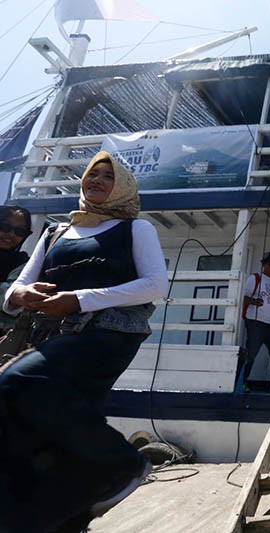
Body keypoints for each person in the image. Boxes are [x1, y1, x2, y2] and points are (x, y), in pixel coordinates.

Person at [0, 151, 168, 531]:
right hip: (51, 336)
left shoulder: (135, 228)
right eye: (93, 173)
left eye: (108, 176)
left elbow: (155, 285)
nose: (97, 180)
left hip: (107, 332)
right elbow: (18, 287)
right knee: (43, 442)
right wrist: (20, 296)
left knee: (17, 381)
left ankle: (121, 462)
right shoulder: (54, 232)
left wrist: (79, 298)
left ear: (122, 186)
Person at [241, 251, 270, 393]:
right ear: (264, 264)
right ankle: (242, 382)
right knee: (251, 354)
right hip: (256, 323)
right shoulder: (255, 278)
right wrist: (254, 301)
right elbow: (244, 298)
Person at [0, 205, 33, 334]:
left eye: (20, 232)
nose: (11, 234)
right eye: (5, 227)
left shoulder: (25, 264)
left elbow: (9, 295)